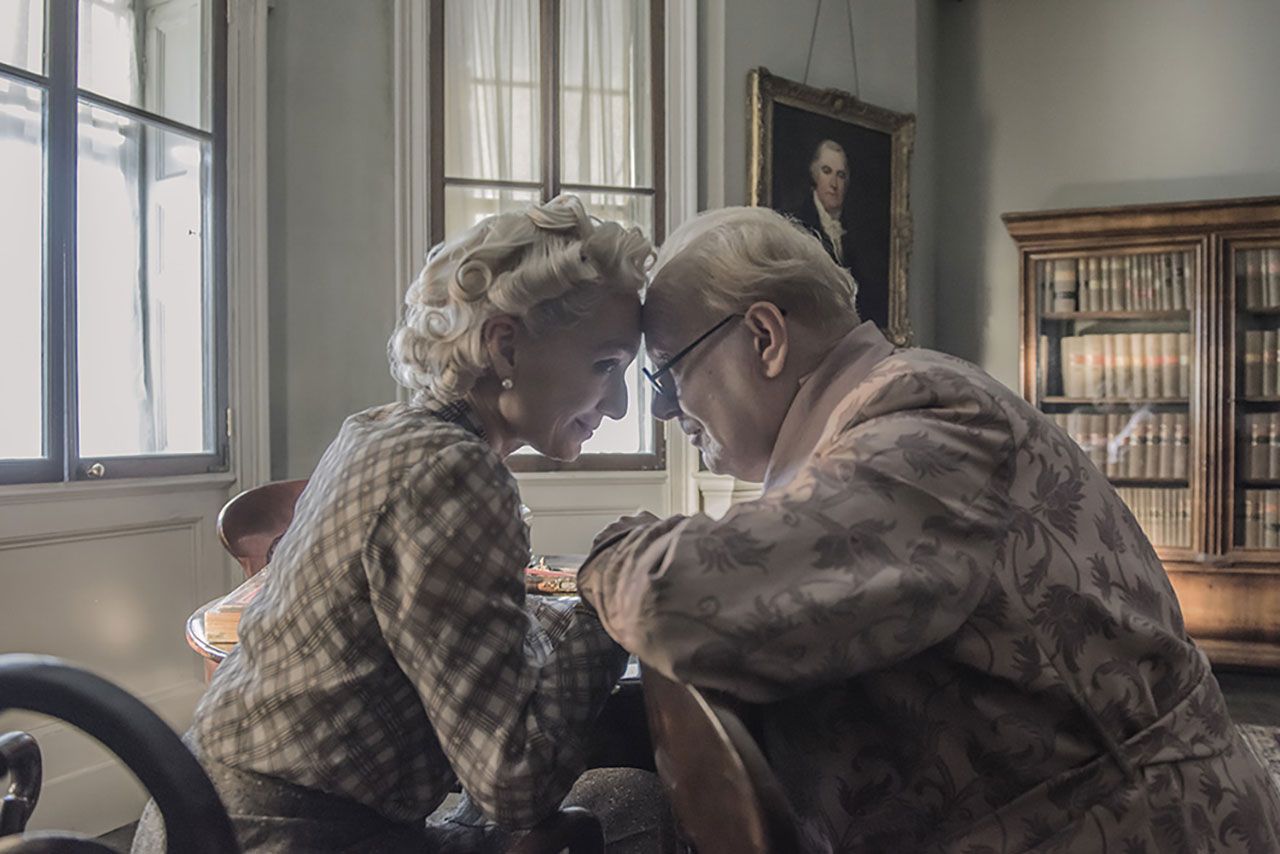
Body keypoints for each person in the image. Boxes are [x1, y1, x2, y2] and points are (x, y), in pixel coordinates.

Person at [578, 205, 1280, 852]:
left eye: (666, 373)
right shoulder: (874, 419)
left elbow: (680, 602)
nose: (663, 410)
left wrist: (611, 549)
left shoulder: (924, 412)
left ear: (765, 337)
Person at [133, 196, 673, 853]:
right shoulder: (454, 472)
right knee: (631, 801)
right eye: (606, 366)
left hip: (190, 814)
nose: (618, 406)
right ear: (506, 346)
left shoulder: (375, 431)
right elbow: (517, 784)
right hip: (279, 840)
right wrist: (611, 595)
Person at [789, 138, 889, 330]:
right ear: (814, 175)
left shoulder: (855, 231)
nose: (834, 184)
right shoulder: (798, 224)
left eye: (840, 175)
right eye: (827, 171)